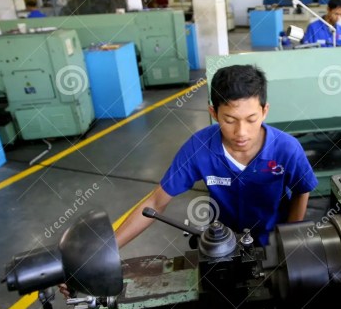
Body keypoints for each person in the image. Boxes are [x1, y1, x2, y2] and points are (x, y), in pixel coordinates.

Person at [114, 64, 318, 249]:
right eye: (229, 120)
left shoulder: (287, 149)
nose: (241, 132)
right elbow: (155, 203)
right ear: (213, 112)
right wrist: (109, 251)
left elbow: (302, 191)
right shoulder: (199, 148)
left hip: (272, 241)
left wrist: (290, 242)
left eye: (251, 119)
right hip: (224, 244)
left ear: (265, 111)